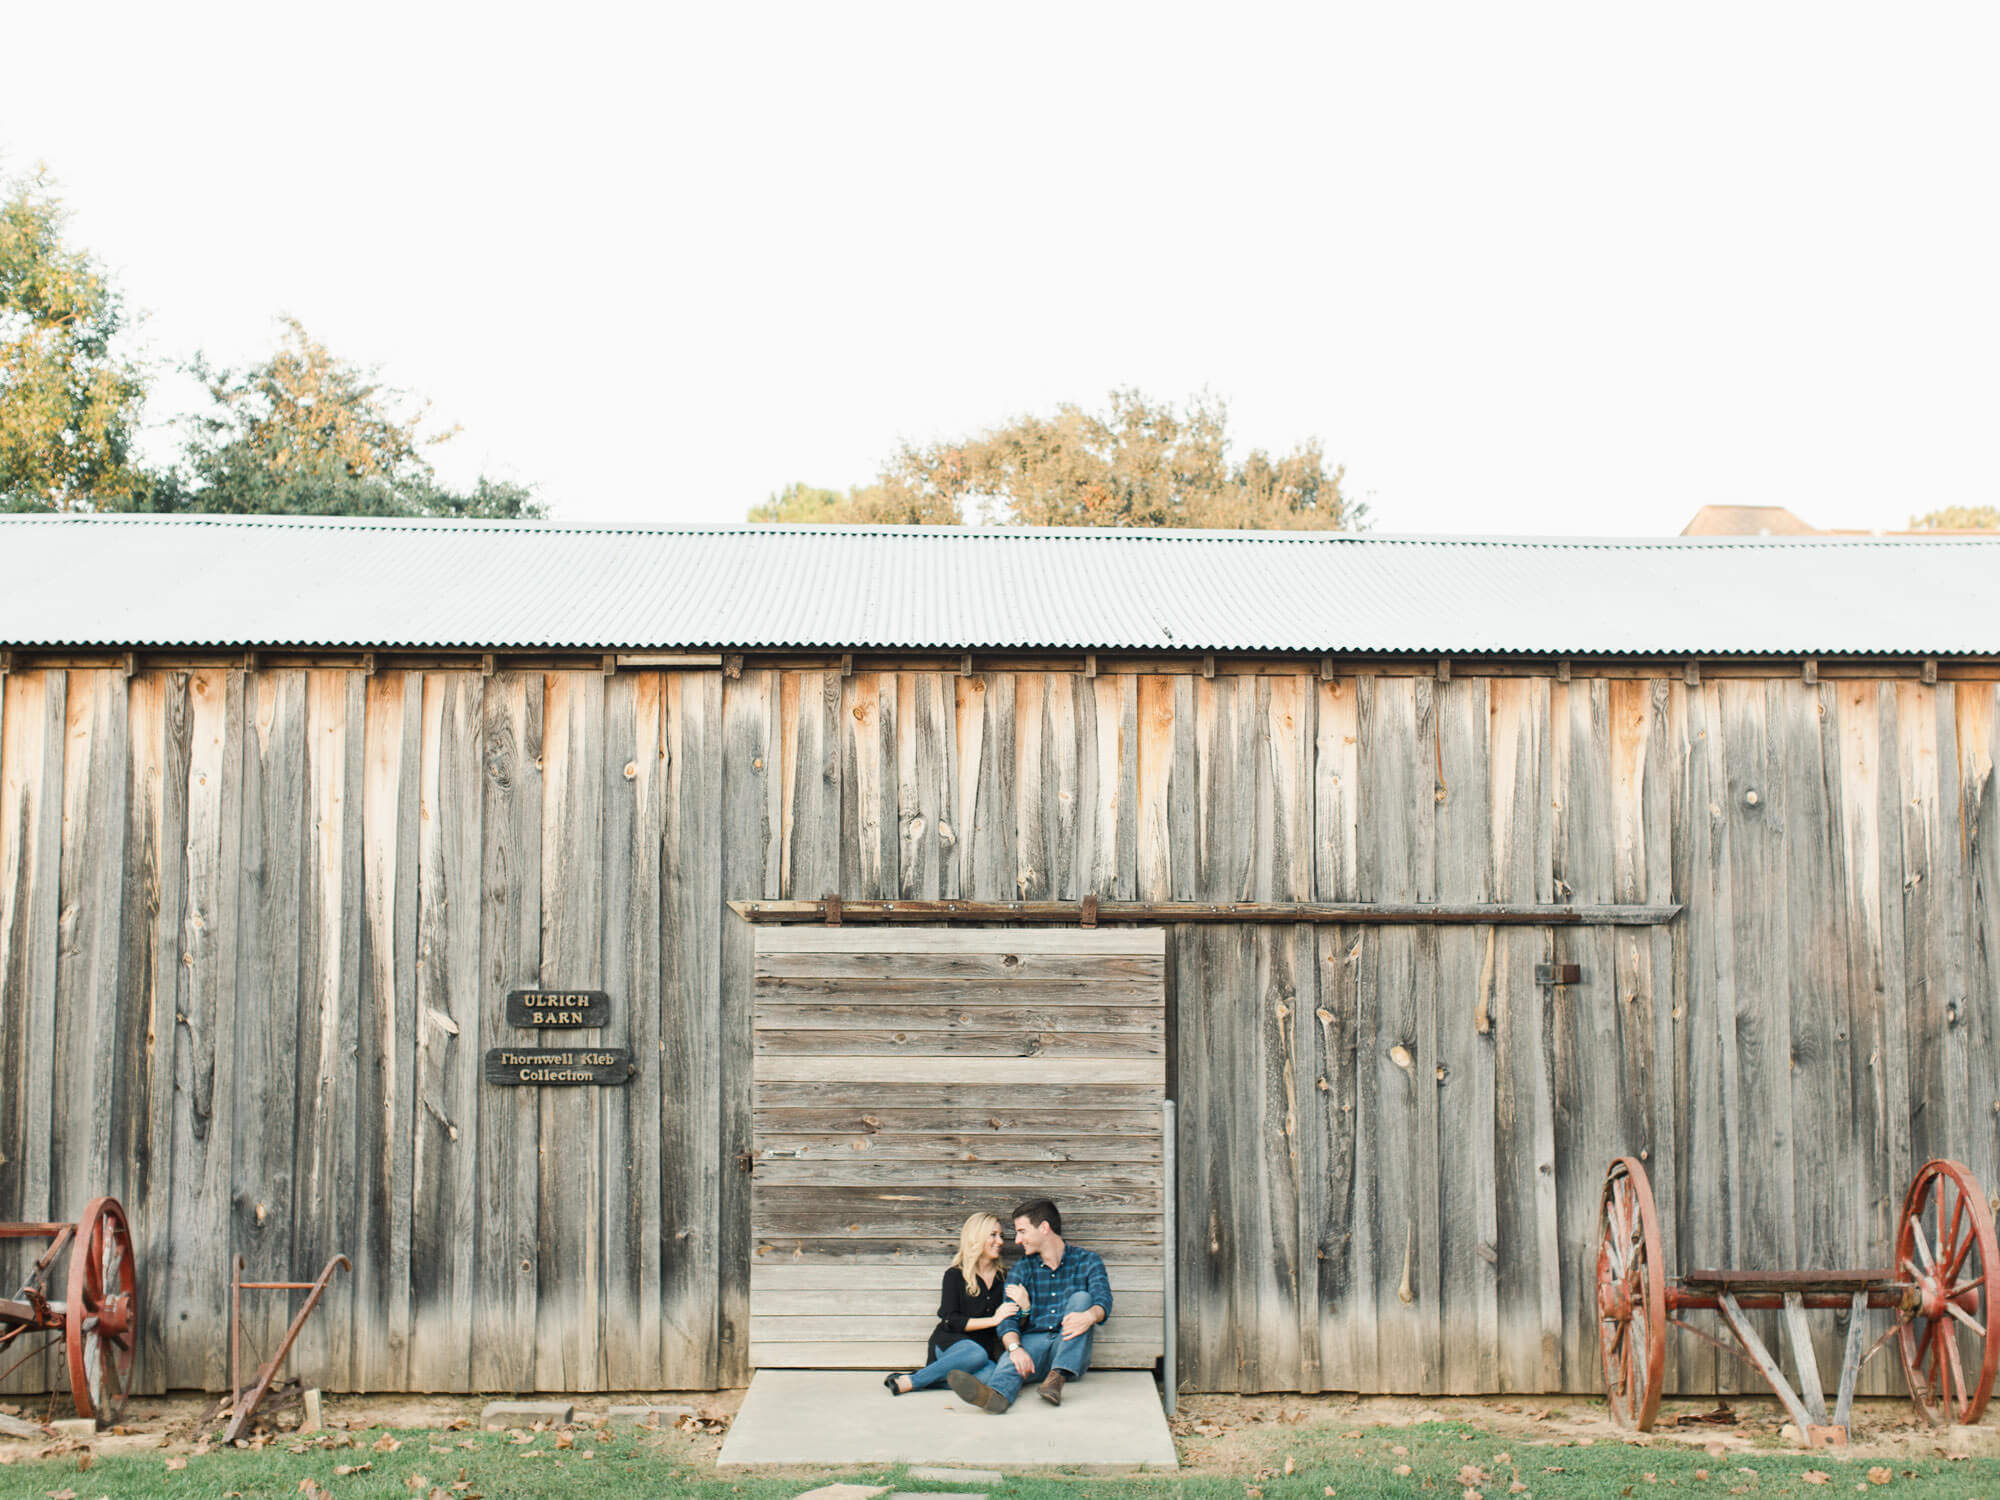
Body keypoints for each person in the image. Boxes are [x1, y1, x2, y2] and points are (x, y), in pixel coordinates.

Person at [947, 1198, 1111, 1412]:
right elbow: (1008, 1319)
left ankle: (1057, 1377)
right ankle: (995, 1397)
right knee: (1013, 1356)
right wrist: (1015, 1348)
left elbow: (1103, 1300)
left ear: (1044, 1228)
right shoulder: (1022, 1269)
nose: (1016, 1240)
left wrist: (1090, 1316)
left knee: (1082, 1299)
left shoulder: (1088, 1260)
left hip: (1069, 1344)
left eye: (1022, 1231)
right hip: (1036, 1343)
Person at [884, 1212, 1024, 1395]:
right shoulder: (955, 1275)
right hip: (949, 1345)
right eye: (993, 1235)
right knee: (975, 1353)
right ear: (976, 1237)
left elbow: (1014, 1320)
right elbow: (951, 1320)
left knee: (993, 1377)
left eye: (1001, 1236)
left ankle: (928, 1379)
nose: (1000, 1241)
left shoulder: (1005, 1277)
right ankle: (911, 1381)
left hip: (983, 1354)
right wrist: (993, 1320)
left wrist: (1025, 1306)